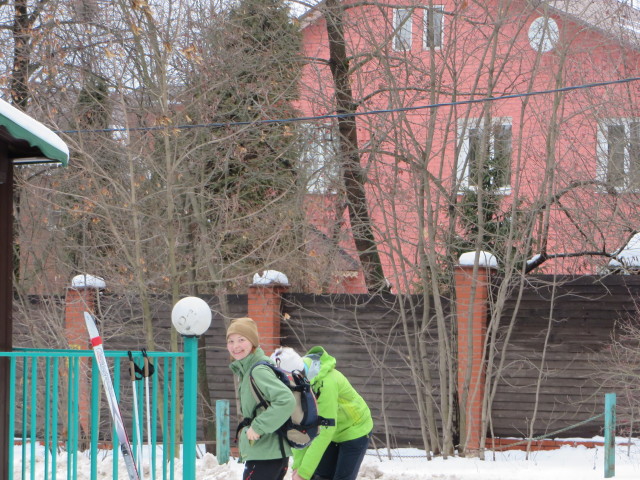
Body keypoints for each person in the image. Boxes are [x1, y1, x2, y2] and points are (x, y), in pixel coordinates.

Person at [272, 346, 373, 480]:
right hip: (331, 432)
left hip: (354, 429)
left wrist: (303, 473)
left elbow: (326, 430)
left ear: (294, 374)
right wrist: (298, 466)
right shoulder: (296, 384)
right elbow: (298, 426)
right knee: (321, 476)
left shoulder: (326, 383)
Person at [227, 317, 296, 480]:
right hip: (267, 454)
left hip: (267, 455)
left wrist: (258, 427)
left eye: (241, 340)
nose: (235, 346)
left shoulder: (258, 370)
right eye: (231, 341)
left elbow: (286, 400)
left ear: (253, 342)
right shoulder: (247, 369)